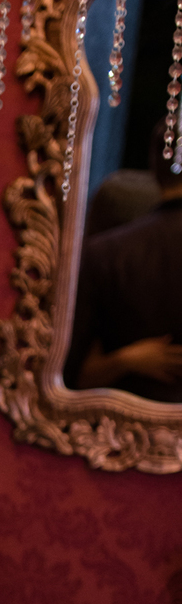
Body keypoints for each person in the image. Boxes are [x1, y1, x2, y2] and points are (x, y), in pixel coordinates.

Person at [65, 120, 182, 402]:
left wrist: (122, 360)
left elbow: (67, 380)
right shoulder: (102, 255)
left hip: (119, 418)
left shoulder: (102, 254)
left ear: (155, 164)